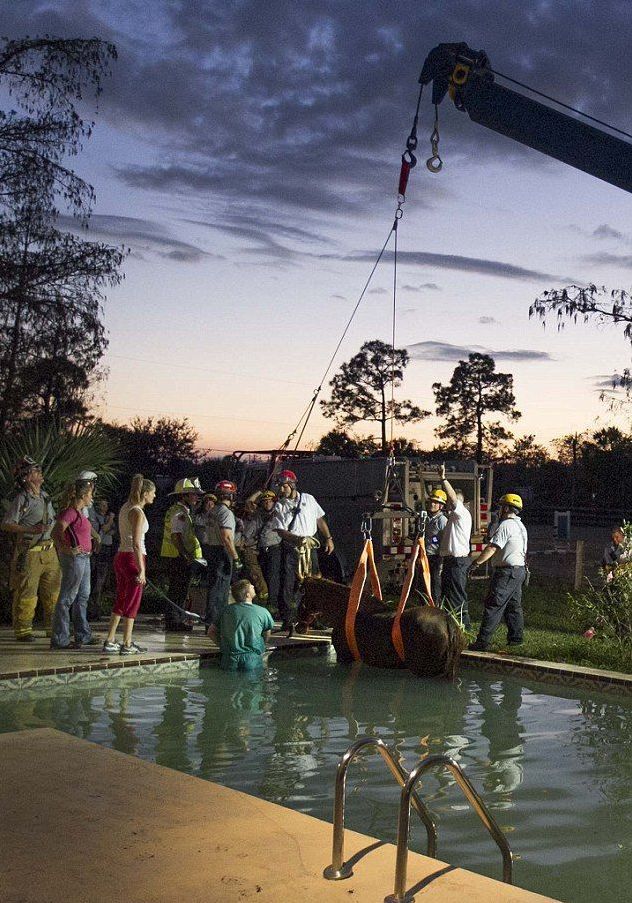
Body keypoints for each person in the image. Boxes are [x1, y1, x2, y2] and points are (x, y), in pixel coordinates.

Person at [1, 457, 61, 641]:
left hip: (50, 552)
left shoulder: (45, 496)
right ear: (26, 477)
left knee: (53, 593)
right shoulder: (22, 499)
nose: (40, 473)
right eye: (35, 471)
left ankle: (54, 629)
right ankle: (23, 631)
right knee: (27, 592)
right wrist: (31, 529)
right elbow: (7, 524)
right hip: (30, 553)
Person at [270, 469, 334, 632]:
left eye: (283, 486)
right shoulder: (280, 505)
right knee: (289, 584)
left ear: (291, 484)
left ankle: (312, 619)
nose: (281, 490)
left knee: (313, 583)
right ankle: (288, 619)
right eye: (280, 487)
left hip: (310, 547)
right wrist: (298, 540)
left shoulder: (309, 499)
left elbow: (319, 519)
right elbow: (280, 530)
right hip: (292, 548)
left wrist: (328, 538)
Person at [103, 474, 156, 655]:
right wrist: (141, 570)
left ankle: (110, 639)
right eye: (153, 493)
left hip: (121, 556)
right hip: (133, 557)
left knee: (122, 597)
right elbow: (136, 542)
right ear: (146, 493)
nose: (155, 496)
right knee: (132, 601)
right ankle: (127, 643)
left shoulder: (126, 507)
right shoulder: (137, 512)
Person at [469, 493, 528, 651]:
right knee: (513, 606)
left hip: (506, 572)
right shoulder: (520, 526)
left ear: (507, 508)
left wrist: (476, 563)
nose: (498, 510)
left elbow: (492, 548)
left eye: (501, 506)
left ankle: (483, 641)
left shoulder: (506, 525)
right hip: (518, 570)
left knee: (493, 604)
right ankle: (516, 639)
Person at [50, 471, 102, 649]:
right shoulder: (70, 512)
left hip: (84, 558)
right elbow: (56, 532)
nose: (92, 498)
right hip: (75, 559)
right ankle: (60, 639)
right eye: (90, 495)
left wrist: (95, 540)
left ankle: (83, 635)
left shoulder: (80, 512)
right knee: (66, 598)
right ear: (83, 495)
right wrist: (66, 548)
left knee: (82, 597)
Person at [160, 477, 204, 631]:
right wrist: (186, 555)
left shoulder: (182, 511)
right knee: (178, 590)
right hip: (177, 557)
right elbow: (176, 536)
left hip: (176, 556)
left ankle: (176, 619)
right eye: (193, 494)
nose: (197, 497)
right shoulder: (180, 513)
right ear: (183, 496)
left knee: (179, 589)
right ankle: (174, 621)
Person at [209, 578, 274, 671]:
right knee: (253, 684)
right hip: (252, 659)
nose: (254, 586)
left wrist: (222, 646)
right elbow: (267, 633)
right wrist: (262, 645)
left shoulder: (224, 611)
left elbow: (211, 632)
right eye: (251, 587)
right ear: (248, 595)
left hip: (229, 658)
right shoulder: (262, 612)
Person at [438, 464, 472, 628]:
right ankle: (451, 626)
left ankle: (465, 628)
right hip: (451, 561)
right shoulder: (454, 516)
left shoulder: (461, 513)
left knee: (457, 596)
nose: (448, 505)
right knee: (449, 595)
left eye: (452, 503)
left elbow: (452, 498)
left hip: (458, 562)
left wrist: (443, 479)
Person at [204, 480, 240, 626]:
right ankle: (216, 623)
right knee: (221, 589)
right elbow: (226, 537)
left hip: (211, 549)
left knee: (213, 587)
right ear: (230, 496)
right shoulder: (226, 513)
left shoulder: (212, 511)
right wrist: (236, 557)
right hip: (222, 552)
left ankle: (211, 621)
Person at [88, 498, 116, 618]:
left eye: (106, 505)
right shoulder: (96, 518)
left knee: (102, 581)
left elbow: (112, 531)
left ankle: (96, 609)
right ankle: (91, 610)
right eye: (102, 505)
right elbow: (105, 529)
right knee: (95, 580)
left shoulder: (108, 519)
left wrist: (110, 523)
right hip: (98, 549)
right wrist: (110, 520)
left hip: (107, 549)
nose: (104, 507)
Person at [238, 497, 269, 602]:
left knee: (254, 572)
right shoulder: (247, 518)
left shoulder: (255, 519)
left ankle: (263, 594)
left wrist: (260, 492)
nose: (248, 508)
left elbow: (246, 536)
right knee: (246, 573)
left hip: (249, 549)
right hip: (246, 548)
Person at [424, 488, 448, 603]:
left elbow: (444, 540)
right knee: (424, 584)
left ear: (441, 506)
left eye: (436, 502)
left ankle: (436, 607)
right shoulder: (428, 518)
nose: (432, 504)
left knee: (435, 585)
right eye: (431, 501)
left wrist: (442, 560)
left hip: (436, 557)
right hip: (426, 556)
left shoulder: (442, 520)